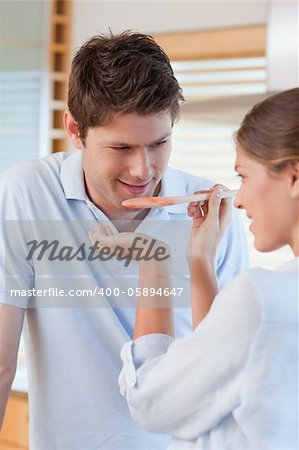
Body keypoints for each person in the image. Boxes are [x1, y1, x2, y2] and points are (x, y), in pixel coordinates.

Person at [0, 31, 248, 449]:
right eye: (121, 147)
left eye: (159, 143)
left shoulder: (208, 214)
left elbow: (227, 366)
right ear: (75, 130)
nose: (142, 170)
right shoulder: (28, 193)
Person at [93, 88, 298, 449]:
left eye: (245, 176)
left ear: (294, 177)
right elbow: (221, 372)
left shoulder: (264, 298)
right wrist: (200, 261)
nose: (241, 199)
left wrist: (153, 260)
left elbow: (152, 403)